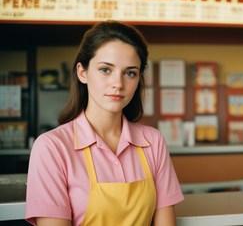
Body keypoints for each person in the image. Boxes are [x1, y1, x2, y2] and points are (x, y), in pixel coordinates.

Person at [25, 20, 184, 226]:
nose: (118, 84)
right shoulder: (52, 147)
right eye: (105, 70)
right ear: (82, 72)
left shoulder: (152, 142)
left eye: (130, 73)